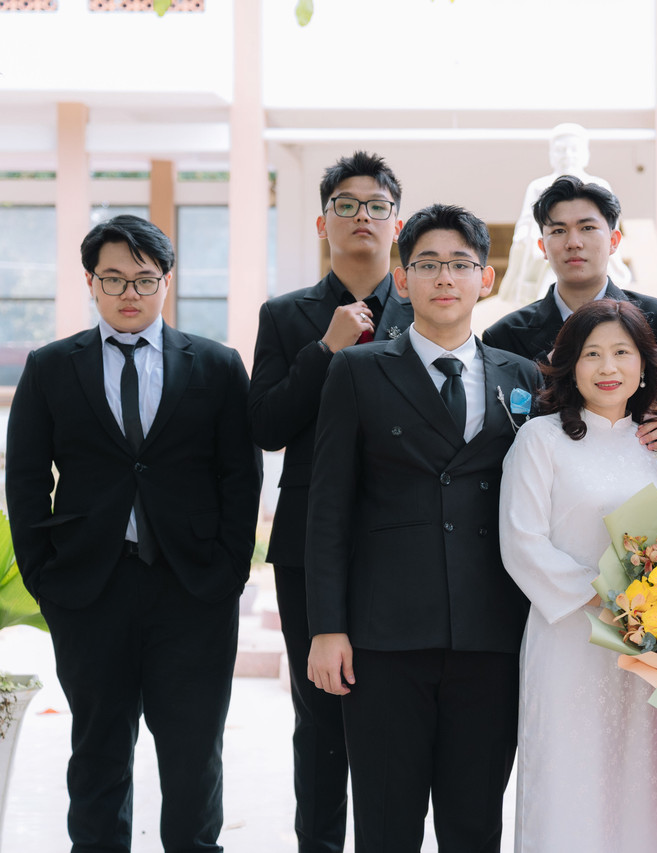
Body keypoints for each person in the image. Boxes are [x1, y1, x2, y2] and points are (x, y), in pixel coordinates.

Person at [6, 214, 262, 851]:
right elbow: (26, 477)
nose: (129, 293)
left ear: (166, 281)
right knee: (97, 751)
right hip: (90, 587)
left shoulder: (217, 365)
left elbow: (241, 476)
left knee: (194, 752)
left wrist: (229, 571)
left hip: (193, 587)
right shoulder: (50, 366)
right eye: (113, 279)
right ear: (90, 282)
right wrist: (45, 576)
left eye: (144, 279)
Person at [305, 204, 540, 853]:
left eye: (460, 264)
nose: (444, 278)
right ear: (403, 279)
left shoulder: (522, 378)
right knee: (386, 825)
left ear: (486, 278)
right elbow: (328, 507)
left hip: (490, 636)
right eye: (428, 264)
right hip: (384, 638)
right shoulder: (358, 370)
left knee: (474, 825)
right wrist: (326, 627)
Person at [248, 149, 408, 853]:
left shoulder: (426, 309)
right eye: (346, 205)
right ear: (323, 222)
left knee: (396, 719)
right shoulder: (287, 316)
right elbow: (266, 426)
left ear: (396, 221)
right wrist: (324, 348)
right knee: (318, 719)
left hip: (402, 541)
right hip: (309, 543)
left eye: (377, 205)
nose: (361, 216)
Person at [498, 299, 657, 853]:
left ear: (644, 365)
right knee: (567, 777)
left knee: (639, 781)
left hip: (646, 649)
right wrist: (609, 601)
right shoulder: (541, 439)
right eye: (592, 354)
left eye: (622, 353)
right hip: (569, 639)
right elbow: (522, 542)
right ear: (569, 365)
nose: (608, 367)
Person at [483, 175, 657, 451]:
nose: (573, 242)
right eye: (558, 231)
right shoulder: (504, 337)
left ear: (614, 241)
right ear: (542, 247)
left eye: (587, 228)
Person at [499, 122, 632, 304]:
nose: (568, 155)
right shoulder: (538, 186)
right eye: (561, 150)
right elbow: (526, 223)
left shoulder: (600, 185)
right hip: (545, 261)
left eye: (587, 227)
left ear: (585, 154)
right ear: (551, 155)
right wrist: (526, 239)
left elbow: (610, 225)